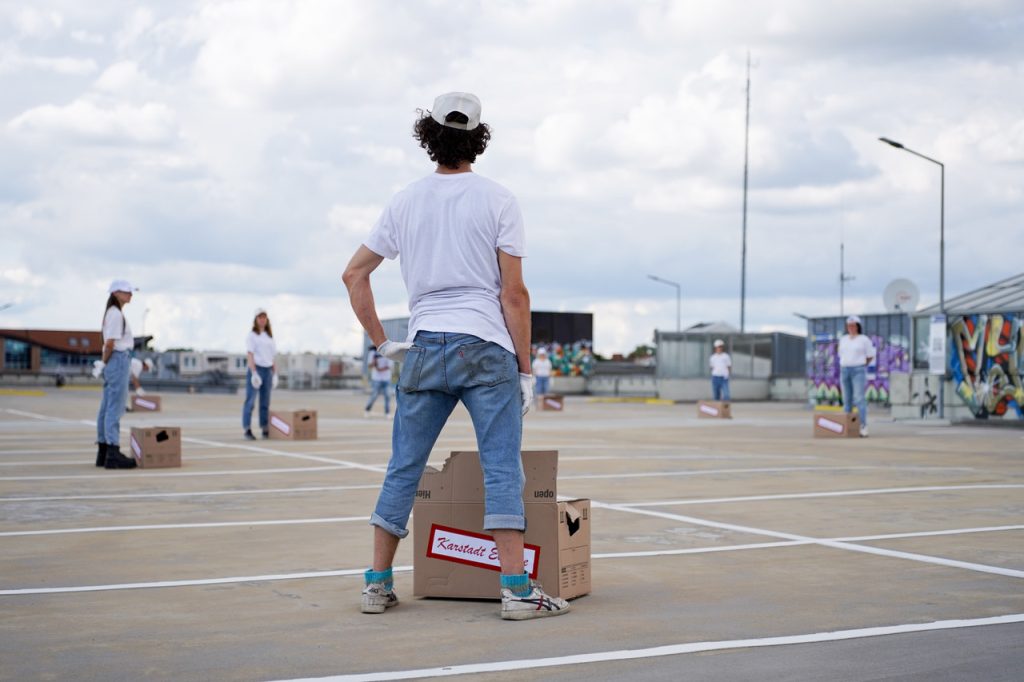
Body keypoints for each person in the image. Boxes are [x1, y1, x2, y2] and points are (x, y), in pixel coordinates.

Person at [342, 91, 568, 620]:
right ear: (478, 139)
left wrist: (382, 341)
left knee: (404, 467)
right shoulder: (498, 200)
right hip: (485, 345)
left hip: (423, 344)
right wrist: (527, 370)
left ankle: (376, 585)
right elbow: (514, 295)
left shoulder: (404, 201)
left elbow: (354, 273)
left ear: (431, 136)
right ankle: (516, 591)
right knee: (501, 468)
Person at [92, 279, 138, 469]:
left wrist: (104, 364)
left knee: (106, 407)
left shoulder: (112, 314)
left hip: (115, 360)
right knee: (115, 407)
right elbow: (110, 343)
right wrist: (104, 362)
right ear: (116, 293)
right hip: (118, 359)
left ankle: (103, 452)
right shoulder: (115, 314)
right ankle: (113, 451)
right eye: (127, 292)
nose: (130, 295)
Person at [242, 308, 278, 440]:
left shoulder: (269, 337)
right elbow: (250, 355)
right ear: (256, 320)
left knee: (265, 403)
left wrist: (275, 374)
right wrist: (253, 373)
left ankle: (264, 428)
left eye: (264, 317)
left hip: (268, 370)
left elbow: (272, 357)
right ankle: (247, 428)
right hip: (257, 369)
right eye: (259, 317)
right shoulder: (252, 336)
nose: (262, 320)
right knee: (250, 401)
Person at [839, 315, 875, 438]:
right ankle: (847, 426)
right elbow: (841, 354)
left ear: (858, 326)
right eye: (849, 326)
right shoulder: (843, 339)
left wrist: (861, 364)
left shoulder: (864, 339)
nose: (851, 328)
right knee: (846, 400)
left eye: (853, 325)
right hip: (844, 370)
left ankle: (863, 426)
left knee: (859, 399)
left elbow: (870, 356)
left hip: (858, 370)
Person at [364, 350, 393, 418]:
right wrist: (374, 361)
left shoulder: (388, 351)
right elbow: (370, 366)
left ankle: (387, 412)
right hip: (376, 378)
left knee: (387, 396)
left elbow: (389, 366)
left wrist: (379, 369)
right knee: (374, 396)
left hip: (386, 378)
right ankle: (367, 410)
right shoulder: (372, 353)